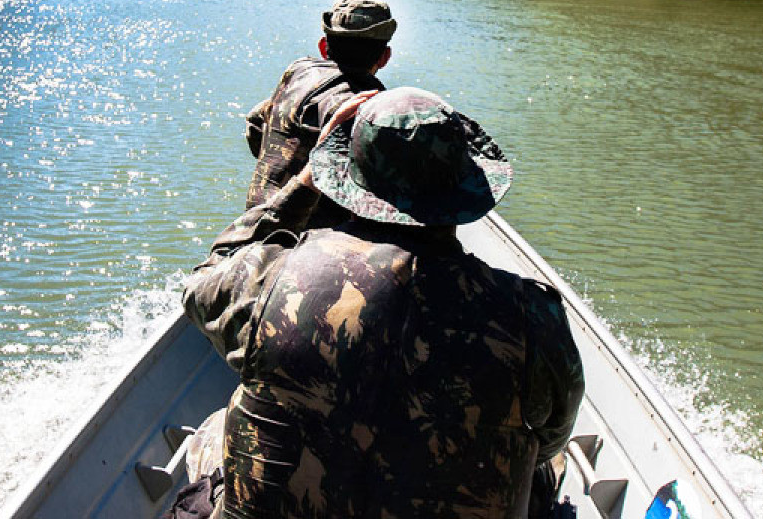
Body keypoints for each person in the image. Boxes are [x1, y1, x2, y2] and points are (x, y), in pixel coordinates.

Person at [184, 87, 584, 519]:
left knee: (212, 433)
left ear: (345, 178)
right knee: (548, 466)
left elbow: (203, 284)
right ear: (463, 189)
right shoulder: (532, 318)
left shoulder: (271, 279)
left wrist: (302, 184)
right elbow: (550, 438)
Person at [244, 0, 396, 230]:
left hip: (250, 224)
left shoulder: (300, 71)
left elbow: (255, 122)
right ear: (385, 57)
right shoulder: (366, 107)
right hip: (308, 240)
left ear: (324, 47)